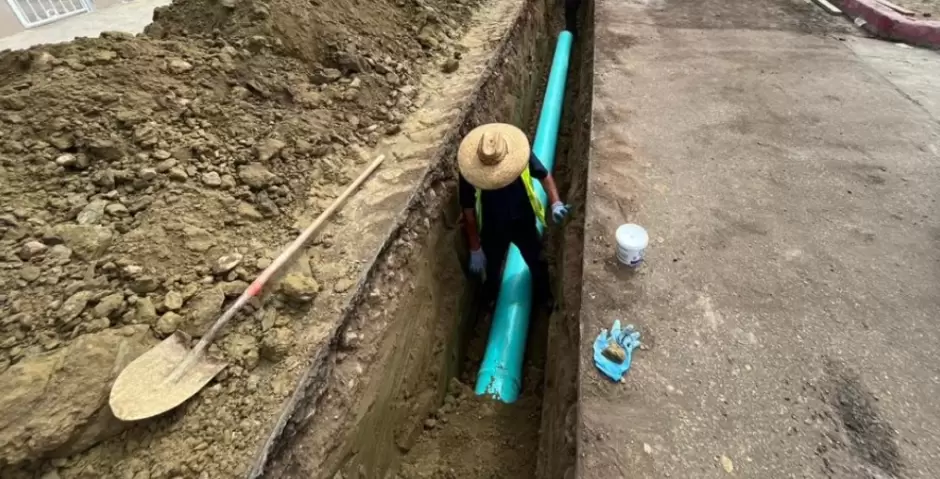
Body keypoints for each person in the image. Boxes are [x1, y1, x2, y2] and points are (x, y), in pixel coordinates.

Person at [457, 123, 570, 308]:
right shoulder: (470, 172)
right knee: (492, 269)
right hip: (492, 225)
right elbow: (468, 211)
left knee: (538, 262)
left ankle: (545, 299)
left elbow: (544, 175)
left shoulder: (519, 154)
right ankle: (490, 300)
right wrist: (475, 246)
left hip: (522, 220)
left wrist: (556, 202)